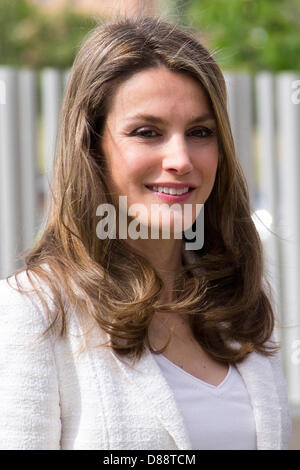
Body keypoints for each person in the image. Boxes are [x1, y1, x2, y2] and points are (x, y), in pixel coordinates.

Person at [0, 14, 291, 450]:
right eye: (146, 132)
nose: (180, 158)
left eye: (200, 132)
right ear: (92, 147)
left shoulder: (241, 299)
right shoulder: (34, 311)